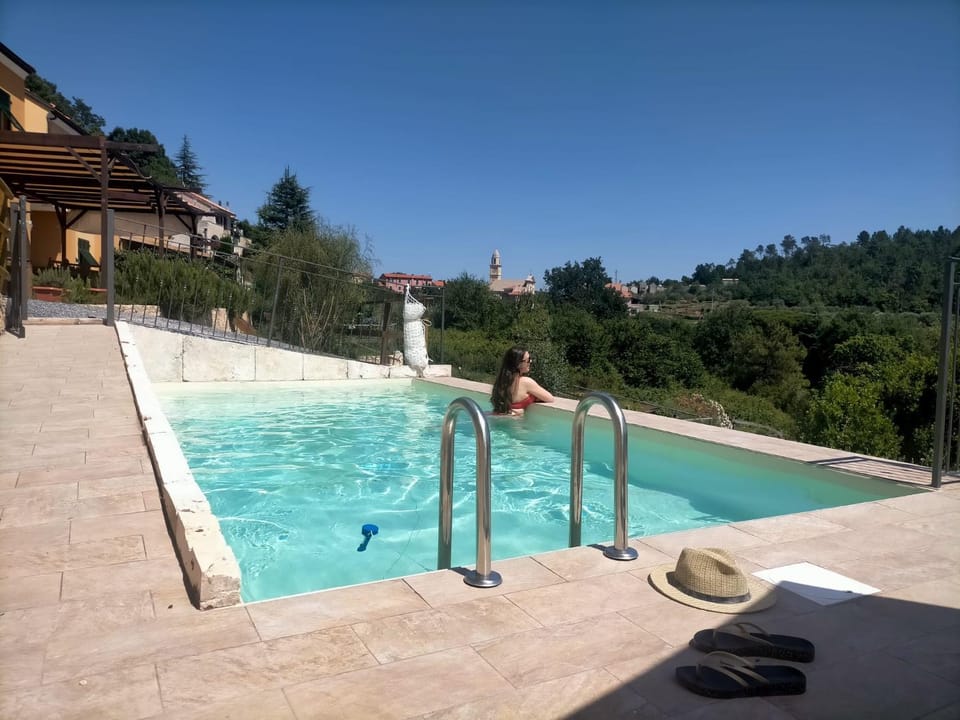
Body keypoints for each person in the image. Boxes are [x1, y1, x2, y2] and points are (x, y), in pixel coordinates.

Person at [490, 346, 555, 415]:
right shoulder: (526, 382)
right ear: (518, 364)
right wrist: (533, 397)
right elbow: (550, 398)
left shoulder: (500, 382)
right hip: (515, 424)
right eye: (528, 360)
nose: (531, 361)